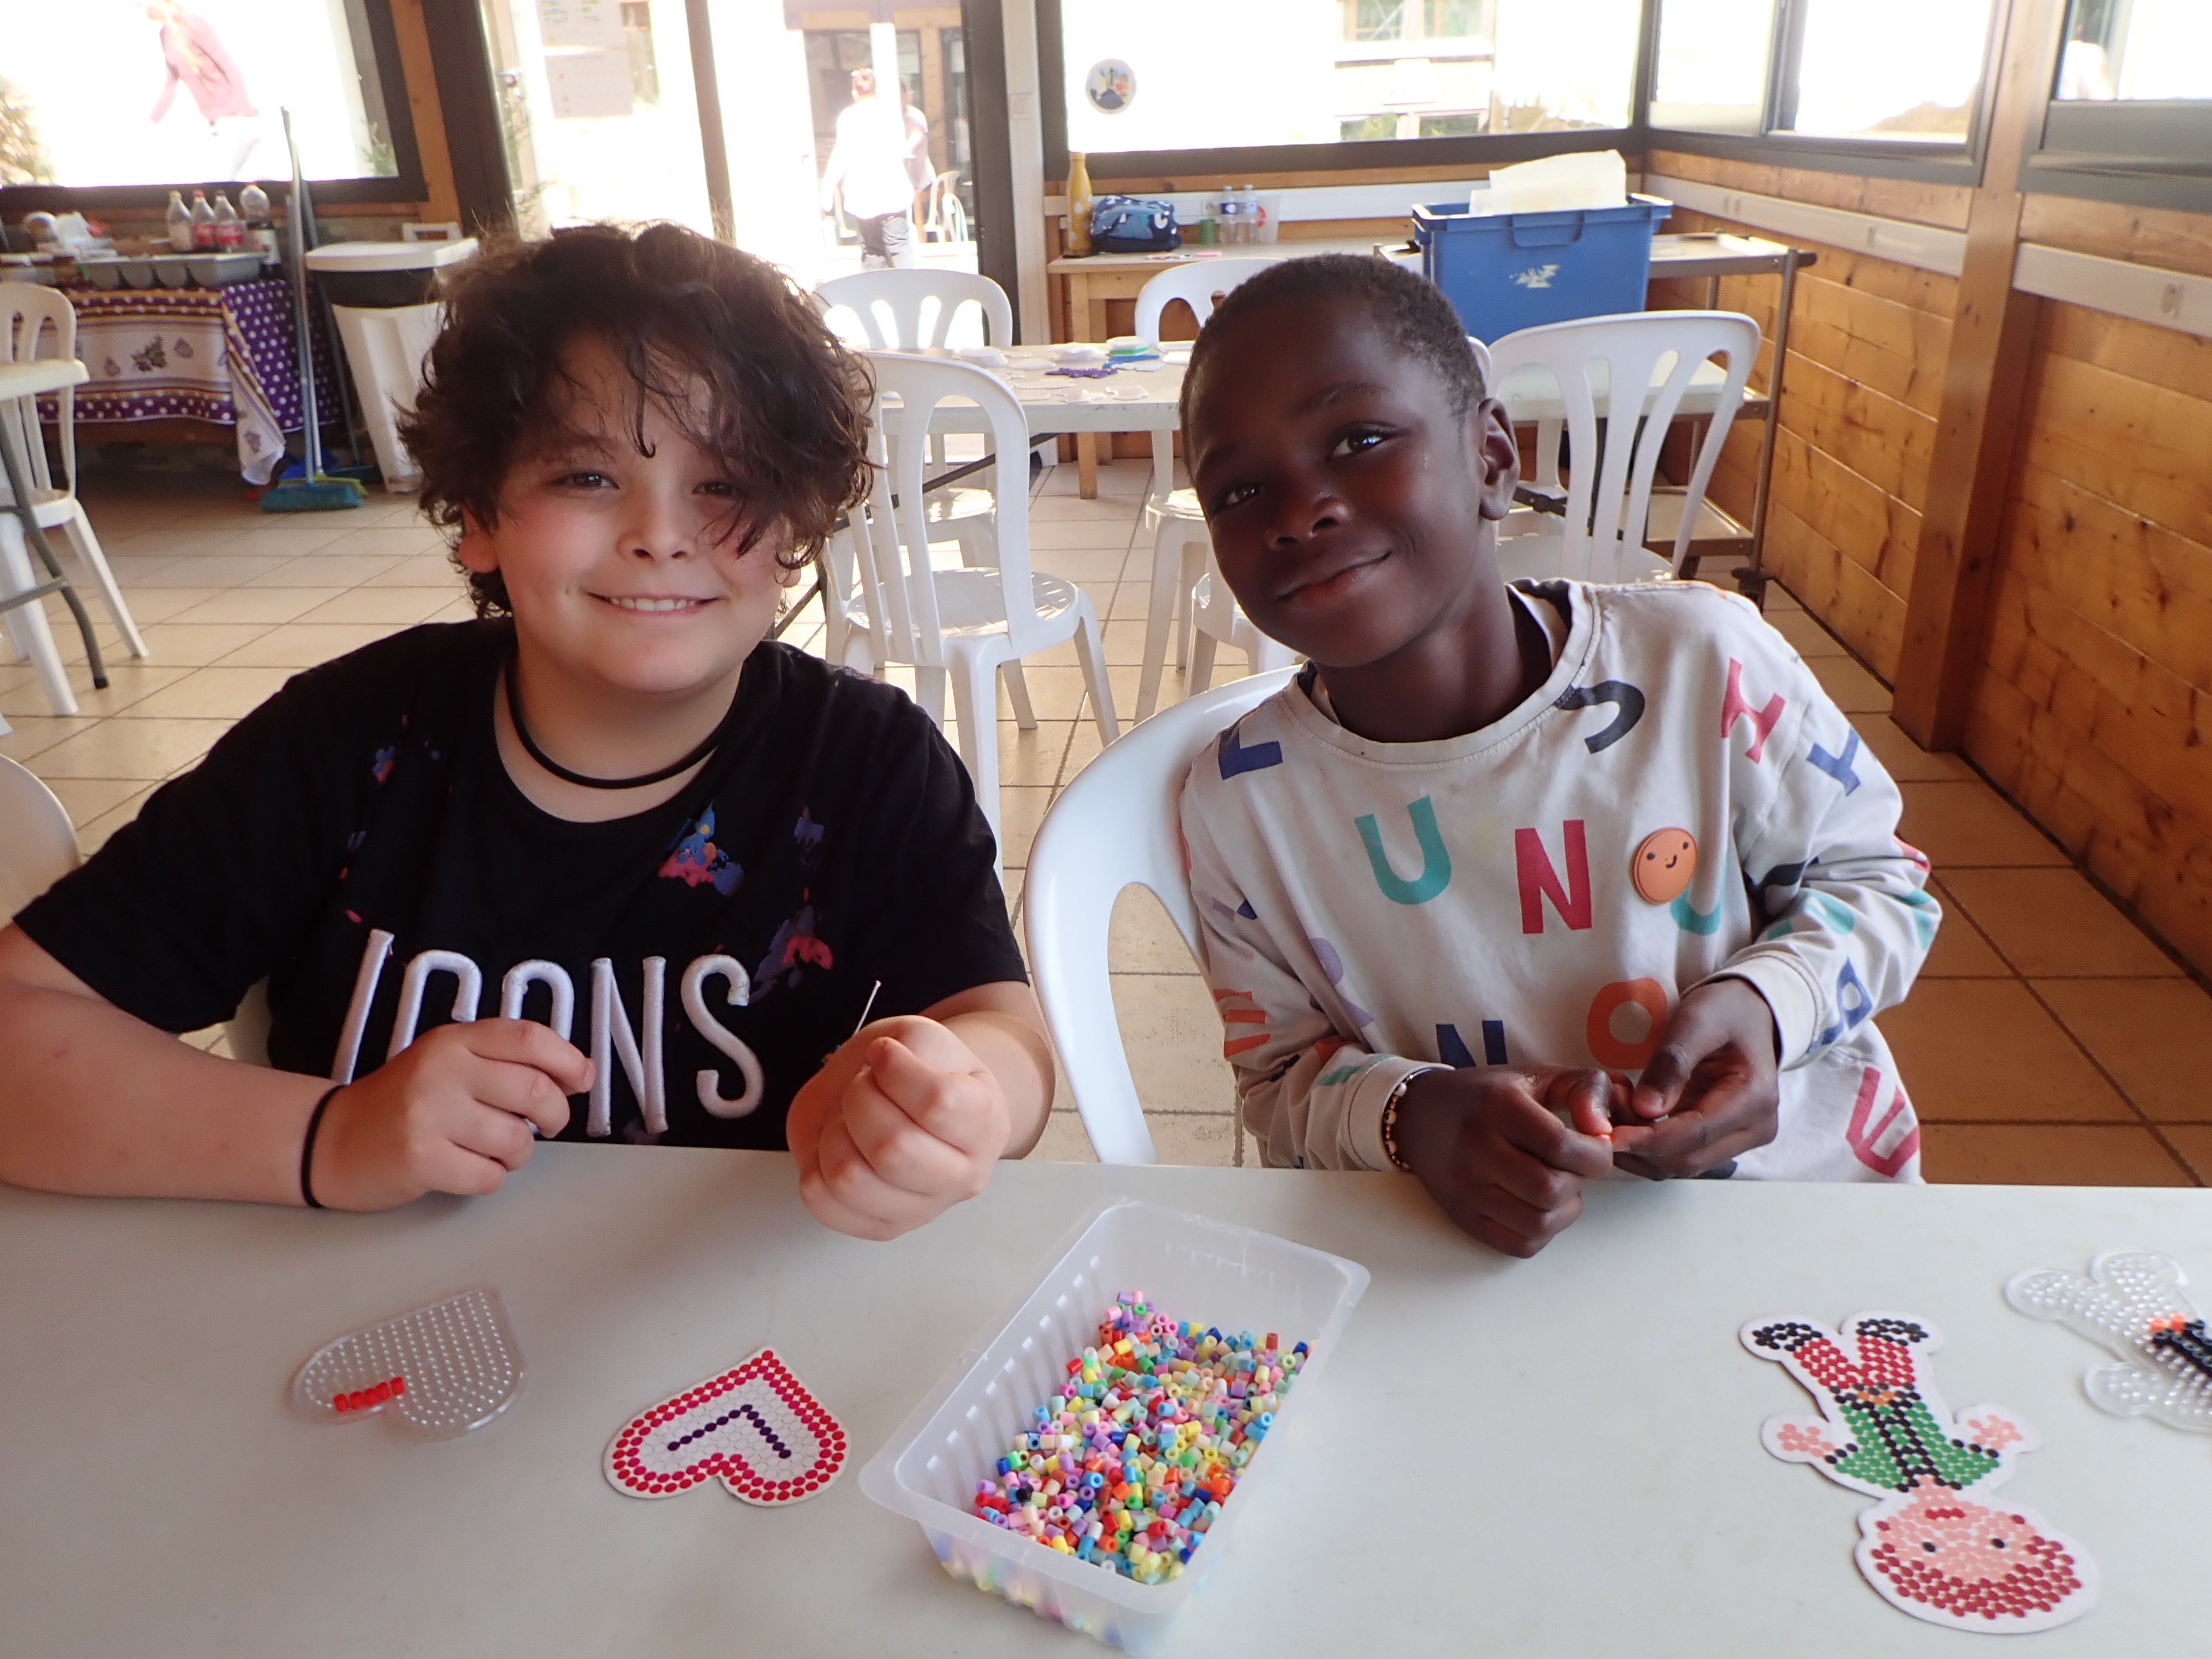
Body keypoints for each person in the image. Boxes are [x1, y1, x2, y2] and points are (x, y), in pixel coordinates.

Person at [0, 223, 1052, 1239]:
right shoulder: (350, 744)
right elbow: (21, 1033)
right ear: (480, 516)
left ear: (795, 533)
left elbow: (1005, 1037)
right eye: (587, 477)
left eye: (726, 483)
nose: (659, 537)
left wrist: (957, 1101)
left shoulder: (867, 762)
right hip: (359, 1337)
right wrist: (335, 1136)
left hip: (737, 1339)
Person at [1174, 255, 1939, 1258]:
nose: (1298, 510)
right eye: (1238, 489)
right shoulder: (1241, 806)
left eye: (1359, 440)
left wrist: (1766, 1004)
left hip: (1801, 1219)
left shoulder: (1706, 661)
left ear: (1493, 459)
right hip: (1486, 1263)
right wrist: (1415, 1114)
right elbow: (1279, 1084)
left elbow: (1881, 884)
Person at [820, 69, 927, 270]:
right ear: (876, 90)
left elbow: (841, 154)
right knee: (899, 246)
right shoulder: (890, 114)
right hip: (892, 191)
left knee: (872, 250)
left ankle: (875, 293)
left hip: (863, 194)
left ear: (854, 93)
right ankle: (910, 290)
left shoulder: (848, 117)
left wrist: (827, 187)